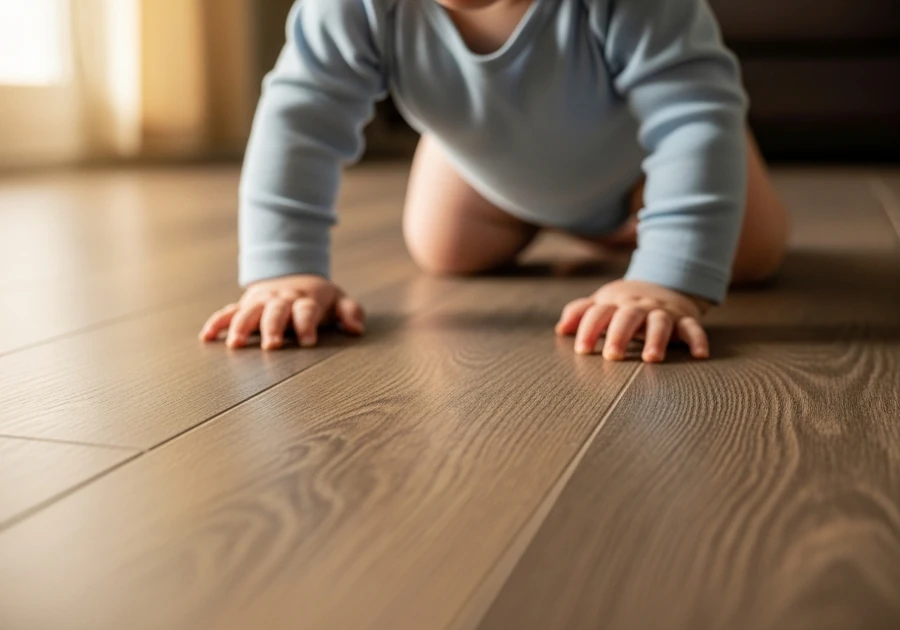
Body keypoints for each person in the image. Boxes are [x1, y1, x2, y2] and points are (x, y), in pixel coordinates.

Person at [199, 0, 790, 363]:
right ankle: (483, 144)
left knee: (746, 256)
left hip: (640, 166)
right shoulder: (351, 5)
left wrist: (665, 281)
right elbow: (301, 117)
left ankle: (637, 228)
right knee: (445, 249)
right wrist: (285, 272)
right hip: (490, 168)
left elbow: (690, 119)